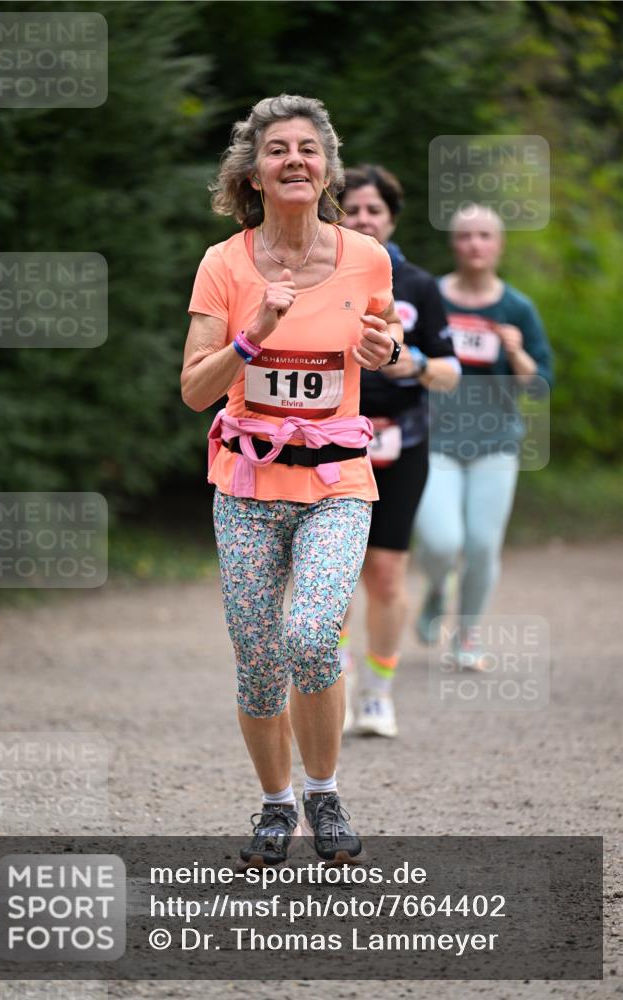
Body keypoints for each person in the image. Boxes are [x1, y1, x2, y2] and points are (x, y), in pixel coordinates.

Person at [181, 96, 402, 866]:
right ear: (252, 172)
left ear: (327, 167)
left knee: (310, 635)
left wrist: (387, 350)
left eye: (309, 148)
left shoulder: (364, 257)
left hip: (337, 483)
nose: (295, 160)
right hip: (245, 486)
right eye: (277, 149)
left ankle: (324, 794)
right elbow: (194, 390)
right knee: (256, 655)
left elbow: (385, 339)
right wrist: (254, 337)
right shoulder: (224, 263)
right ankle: (275, 808)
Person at [337, 165, 460, 738]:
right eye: (353, 209)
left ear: (391, 217)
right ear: (336, 213)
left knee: (386, 575)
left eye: (374, 210)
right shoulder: (320, 277)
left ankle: (378, 692)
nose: (363, 219)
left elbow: (452, 369)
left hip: (403, 441)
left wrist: (417, 365)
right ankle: (329, 679)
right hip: (331, 441)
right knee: (329, 572)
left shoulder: (419, 285)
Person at [414, 203, 553, 668]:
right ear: (454, 244)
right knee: (440, 541)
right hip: (437, 441)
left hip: (495, 443)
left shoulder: (516, 307)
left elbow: (540, 384)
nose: (475, 244)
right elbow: (407, 362)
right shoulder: (432, 295)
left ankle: (467, 635)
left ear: (499, 245)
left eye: (484, 236)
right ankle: (437, 589)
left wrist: (517, 355)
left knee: (481, 545)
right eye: (466, 236)